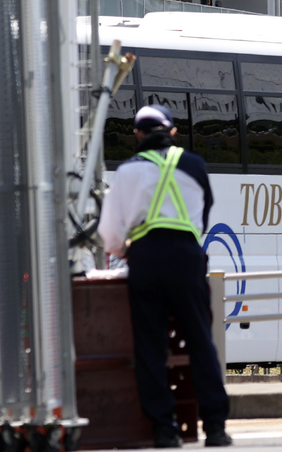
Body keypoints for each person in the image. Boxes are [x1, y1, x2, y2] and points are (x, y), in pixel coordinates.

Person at [99, 104, 232, 449]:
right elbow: (201, 217)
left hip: (145, 259)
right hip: (187, 258)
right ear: (172, 132)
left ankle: (165, 429)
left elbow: (111, 236)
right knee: (201, 340)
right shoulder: (195, 165)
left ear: (137, 135)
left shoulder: (127, 172)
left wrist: (131, 247)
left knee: (151, 346)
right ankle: (215, 428)